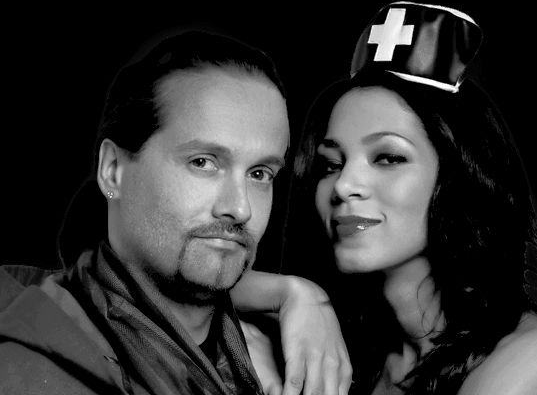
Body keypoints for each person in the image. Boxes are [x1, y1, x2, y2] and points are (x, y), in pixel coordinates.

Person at [0, 29, 350, 395]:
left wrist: (298, 294)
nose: (240, 208)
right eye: (203, 162)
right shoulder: (28, 371)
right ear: (113, 171)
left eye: (260, 174)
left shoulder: (279, 352)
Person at [279, 1, 537, 394]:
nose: (344, 185)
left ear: (458, 177)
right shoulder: (350, 353)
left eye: (388, 158)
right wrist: (292, 293)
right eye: (330, 165)